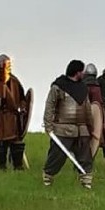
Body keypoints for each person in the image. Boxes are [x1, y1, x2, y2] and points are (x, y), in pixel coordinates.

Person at [42, 60, 94, 189]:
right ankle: (48, 178)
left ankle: (86, 182)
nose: (84, 73)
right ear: (77, 72)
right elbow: (50, 106)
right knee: (57, 157)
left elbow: (87, 109)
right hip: (62, 129)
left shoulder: (83, 88)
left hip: (82, 130)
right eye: (82, 71)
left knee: (85, 157)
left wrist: (91, 127)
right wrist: (48, 126)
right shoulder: (59, 86)